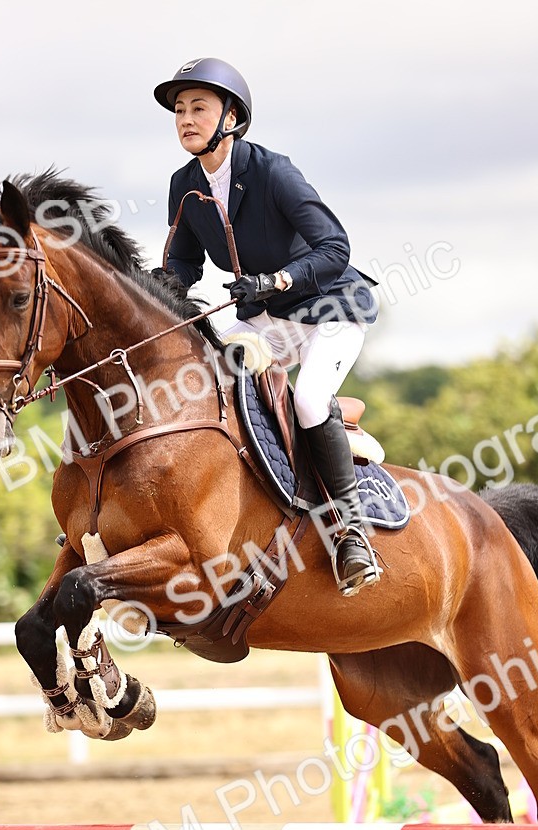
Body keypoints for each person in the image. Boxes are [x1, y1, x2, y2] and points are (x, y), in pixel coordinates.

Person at [153, 57, 381, 596]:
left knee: (307, 401)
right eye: (180, 110)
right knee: (215, 383)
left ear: (231, 115)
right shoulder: (184, 185)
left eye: (199, 108)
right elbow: (183, 264)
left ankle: (352, 534)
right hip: (268, 319)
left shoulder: (274, 171)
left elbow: (335, 247)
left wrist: (275, 280)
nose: (186, 119)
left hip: (332, 308)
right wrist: (154, 294)